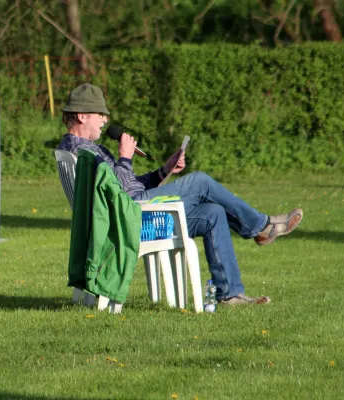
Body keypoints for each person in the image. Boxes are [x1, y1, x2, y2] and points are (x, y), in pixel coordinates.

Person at [57, 83, 303, 306]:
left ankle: (230, 294)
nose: (104, 119)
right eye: (100, 114)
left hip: (131, 210)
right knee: (201, 181)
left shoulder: (85, 150)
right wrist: (124, 157)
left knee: (213, 213)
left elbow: (128, 185)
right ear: (82, 116)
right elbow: (119, 195)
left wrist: (165, 170)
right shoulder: (84, 151)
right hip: (128, 218)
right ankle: (261, 226)